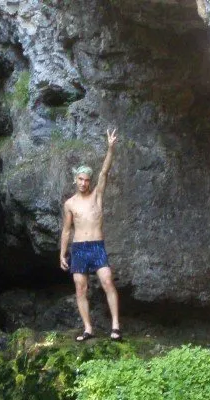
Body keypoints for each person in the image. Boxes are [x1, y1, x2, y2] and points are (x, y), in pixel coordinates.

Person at [59, 128, 122, 341]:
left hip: (96, 246)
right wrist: (62, 254)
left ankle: (115, 326)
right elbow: (67, 230)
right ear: (75, 180)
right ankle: (88, 328)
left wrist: (110, 148)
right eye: (80, 179)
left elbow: (104, 172)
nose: (84, 183)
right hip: (78, 249)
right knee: (80, 288)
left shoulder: (97, 196)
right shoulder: (70, 204)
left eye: (87, 179)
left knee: (107, 281)